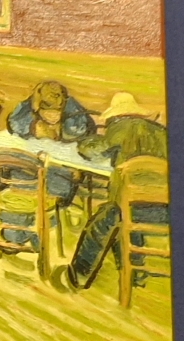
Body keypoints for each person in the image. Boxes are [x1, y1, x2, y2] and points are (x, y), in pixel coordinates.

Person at [54, 92, 168, 291]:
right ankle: (137, 273)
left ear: (116, 116)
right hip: (166, 211)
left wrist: (85, 143)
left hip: (129, 210)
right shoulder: (161, 132)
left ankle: (78, 276)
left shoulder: (120, 128)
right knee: (123, 208)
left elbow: (94, 153)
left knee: (107, 217)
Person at [6, 80, 95, 208]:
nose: (53, 116)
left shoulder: (73, 110)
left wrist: (61, 130)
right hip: (36, 163)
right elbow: (15, 123)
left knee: (57, 183)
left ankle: (53, 201)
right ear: (38, 108)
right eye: (48, 112)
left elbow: (78, 131)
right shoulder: (28, 107)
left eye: (57, 112)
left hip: (64, 164)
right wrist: (33, 127)